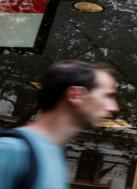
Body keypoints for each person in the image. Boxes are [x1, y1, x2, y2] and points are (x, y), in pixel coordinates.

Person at [0, 60, 120, 189]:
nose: (114, 108)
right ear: (75, 95)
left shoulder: (53, 152)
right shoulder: (11, 149)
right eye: (108, 96)